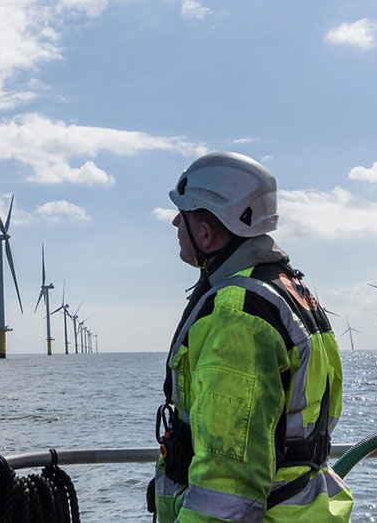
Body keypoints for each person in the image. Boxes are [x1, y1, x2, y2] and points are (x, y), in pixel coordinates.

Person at [150, 152, 351, 523]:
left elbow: (228, 486)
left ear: (206, 232)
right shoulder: (290, 292)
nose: (176, 221)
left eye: (185, 213)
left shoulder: (237, 314)